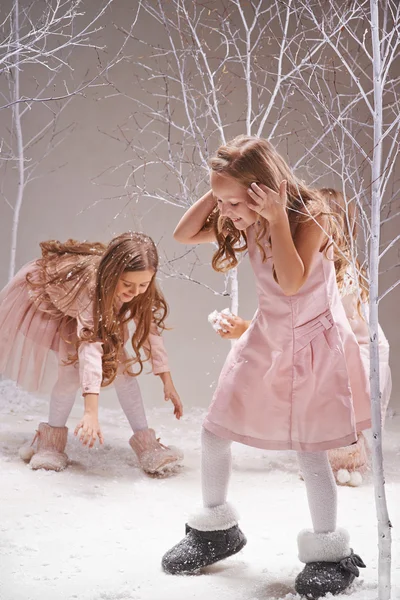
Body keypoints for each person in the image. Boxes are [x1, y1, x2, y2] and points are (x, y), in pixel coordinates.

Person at [161, 136, 367, 599]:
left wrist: (272, 216)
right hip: (267, 337)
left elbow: (292, 284)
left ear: (263, 190)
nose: (227, 212)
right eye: (223, 202)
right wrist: (222, 193)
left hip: (312, 343)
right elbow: (183, 233)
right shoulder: (246, 215)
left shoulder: (311, 215)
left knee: (309, 448)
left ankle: (329, 555)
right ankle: (215, 530)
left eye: (234, 202)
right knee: (215, 429)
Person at [212, 188, 392, 487]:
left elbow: (320, 326)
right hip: (333, 349)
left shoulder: (340, 277)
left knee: (337, 418)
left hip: (361, 356)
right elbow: (285, 317)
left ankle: (349, 450)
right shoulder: (305, 269)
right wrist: (245, 327)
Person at [0, 232, 183, 475]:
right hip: (73, 311)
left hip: (104, 316)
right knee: (70, 376)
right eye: (127, 284)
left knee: (124, 374)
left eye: (143, 284)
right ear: (113, 274)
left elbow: (150, 330)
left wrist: (166, 379)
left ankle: (147, 444)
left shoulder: (139, 289)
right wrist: (90, 411)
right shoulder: (92, 288)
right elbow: (90, 346)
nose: (135, 291)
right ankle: (49, 443)